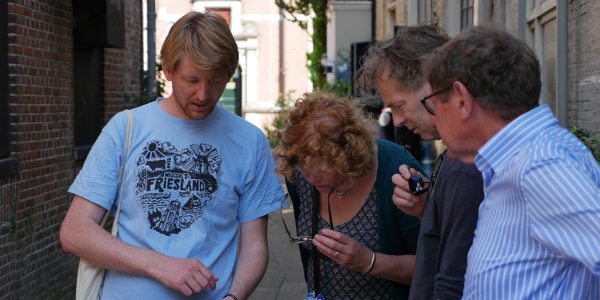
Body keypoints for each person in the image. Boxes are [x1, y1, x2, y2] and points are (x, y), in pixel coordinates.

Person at [60, 11, 284, 300]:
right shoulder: (126, 129)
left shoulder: (249, 142)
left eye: (216, 81)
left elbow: (254, 246)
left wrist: (234, 297)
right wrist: (160, 265)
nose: (203, 94)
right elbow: (75, 232)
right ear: (167, 70)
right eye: (192, 80)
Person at [422, 26, 600, 299]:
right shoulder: (518, 161)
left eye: (433, 104)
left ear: (461, 100)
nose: (433, 119)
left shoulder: (540, 163)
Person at [357, 24, 484, 300]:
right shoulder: (455, 154)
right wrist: (426, 208)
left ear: (431, 86)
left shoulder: (470, 160)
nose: (398, 121)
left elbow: (455, 276)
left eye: (399, 106)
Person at [273, 92, 423, 299]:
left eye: (320, 171)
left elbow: (434, 265)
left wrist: (370, 262)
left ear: (348, 155)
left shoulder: (396, 171)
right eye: (303, 168)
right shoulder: (300, 174)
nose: (309, 179)